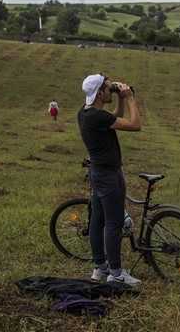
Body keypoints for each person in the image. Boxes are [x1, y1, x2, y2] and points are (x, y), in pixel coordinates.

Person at [77, 73, 142, 286]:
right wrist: (130, 97)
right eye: (107, 87)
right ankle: (116, 274)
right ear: (99, 93)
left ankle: (100, 268)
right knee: (113, 224)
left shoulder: (86, 114)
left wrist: (120, 98)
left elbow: (113, 118)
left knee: (98, 220)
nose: (110, 90)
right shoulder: (98, 117)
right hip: (109, 176)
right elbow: (134, 124)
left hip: (98, 173)